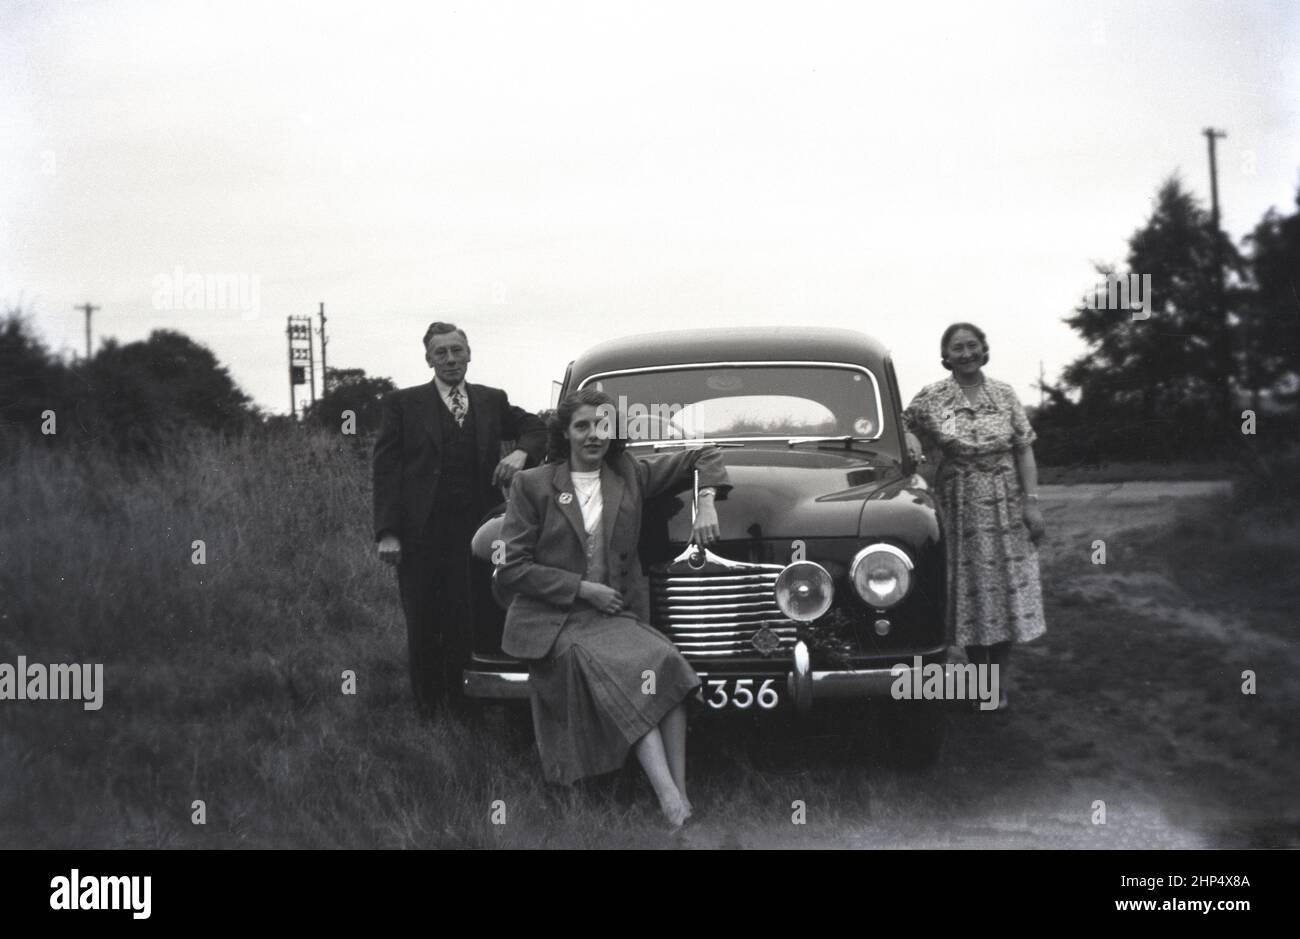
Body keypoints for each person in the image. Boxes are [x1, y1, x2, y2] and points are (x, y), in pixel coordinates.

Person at [495, 389, 729, 827]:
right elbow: (510, 570)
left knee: (668, 664)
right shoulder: (534, 485)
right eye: (582, 426)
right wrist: (581, 589)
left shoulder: (629, 474)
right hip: (557, 619)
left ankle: (681, 797)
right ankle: (671, 804)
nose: (593, 435)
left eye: (602, 425)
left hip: (614, 614)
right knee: (627, 676)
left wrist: (707, 502)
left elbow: (706, 453)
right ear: (564, 432)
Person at [373, 321, 547, 717]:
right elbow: (385, 470)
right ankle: (430, 714)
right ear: (428, 359)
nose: (450, 359)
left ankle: (470, 707)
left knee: (468, 617)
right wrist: (388, 532)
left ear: (469, 353)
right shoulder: (403, 404)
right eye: (441, 353)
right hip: (420, 534)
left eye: (456, 350)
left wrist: (521, 453)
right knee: (422, 619)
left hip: (476, 534)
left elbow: (536, 427)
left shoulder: (490, 400)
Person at [902, 322, 1046, 711]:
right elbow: (898, 425)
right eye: (957, 348)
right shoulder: (932, 397)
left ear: (984, 350)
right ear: (945, 357)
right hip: (959, 500)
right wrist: (912, 437)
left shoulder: (1004, 393)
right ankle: (977, 679)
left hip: (1006, 500)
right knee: (970, 591)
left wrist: (1031, 502)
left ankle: (995, 682)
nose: (965, 353)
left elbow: (1024, 448)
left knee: (1005, 590)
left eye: (972, 346)